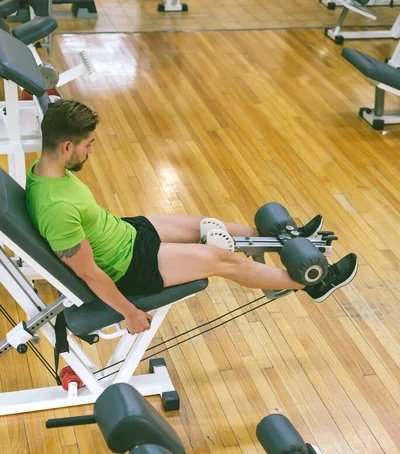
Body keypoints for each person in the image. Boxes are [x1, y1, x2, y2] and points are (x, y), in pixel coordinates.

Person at [26, 100, 358, 335]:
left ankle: (287, 239)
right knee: (222, 258)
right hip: (128, 265)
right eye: (88, 145)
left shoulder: (44, 172)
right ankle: (315, 282)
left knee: (206, 225)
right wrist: (129, 312)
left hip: (124, 231)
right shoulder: (56, 207)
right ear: (67, 146)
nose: (91, 151)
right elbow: (91, 273)